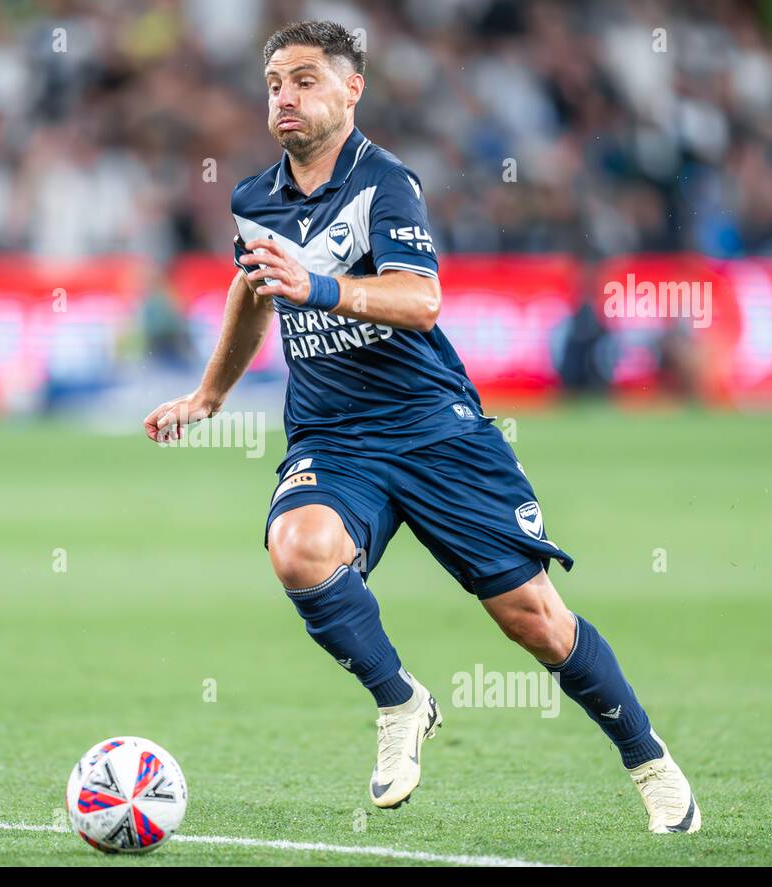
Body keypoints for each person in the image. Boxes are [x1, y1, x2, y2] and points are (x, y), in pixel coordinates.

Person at [143, 20, 699, 833]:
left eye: (303, 80)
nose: (285, 98)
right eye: (274, 84)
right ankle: (399, 700)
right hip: (335, 439)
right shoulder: (255, 199)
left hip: (435, 433)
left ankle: (649, 761)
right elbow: (251, 288)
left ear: (350, 88)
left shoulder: (386, 183)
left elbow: (421, 299)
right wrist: (211, 395)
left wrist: (323, 288)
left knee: (534, 620)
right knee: (298, 547)